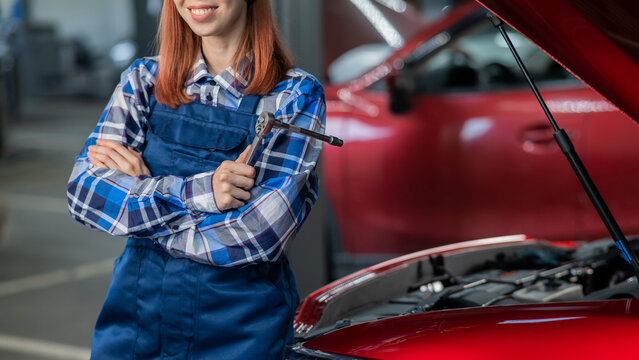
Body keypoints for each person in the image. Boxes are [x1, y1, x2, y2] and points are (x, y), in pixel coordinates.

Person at [66, 0, 325, 358]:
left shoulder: (293, 95)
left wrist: (140, 199)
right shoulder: (142, 80)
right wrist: (202, 194)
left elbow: (257, 236)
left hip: (239, 332)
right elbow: (84, 194)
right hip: (134, 322)